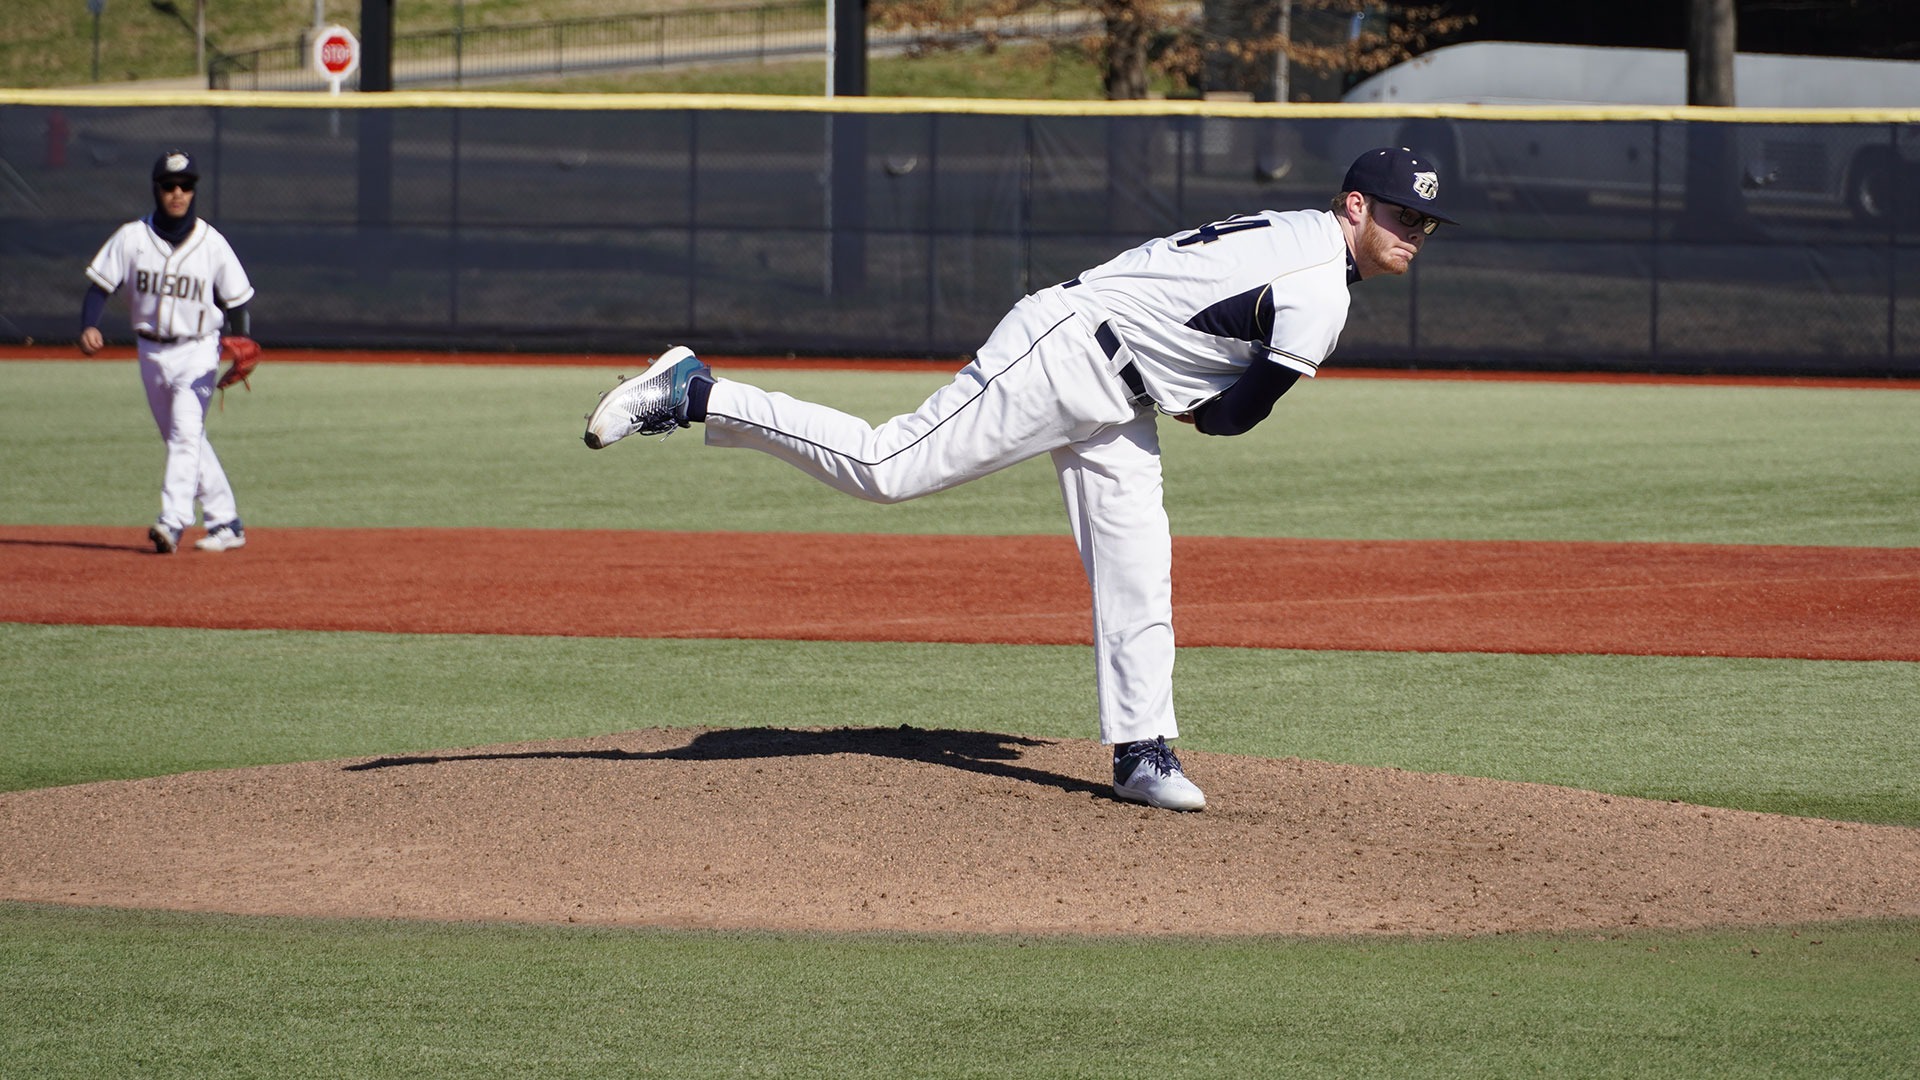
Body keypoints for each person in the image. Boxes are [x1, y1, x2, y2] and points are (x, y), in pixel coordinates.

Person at [581, 147, 1455, 811]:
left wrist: (1184, 393)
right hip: (1070, 353)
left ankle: (1143, 750)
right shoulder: (1322, 289)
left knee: (1137, 564)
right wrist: (1201, 406)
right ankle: (695, 391)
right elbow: (1236, 417)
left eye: (1422, 226)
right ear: (1354, 205)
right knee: (889, 467)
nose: (1411, 235)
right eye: (1399, 217)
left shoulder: (1298, 232)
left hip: (1119, 384)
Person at [80, 149, 257, 554]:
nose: (178, 193)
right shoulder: (131, 237)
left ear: (194, 190)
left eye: (186, 186)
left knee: (183, 433)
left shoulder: (211, 243)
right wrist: (88, 325)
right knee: (185, 438)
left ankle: (172, 521)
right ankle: (226, 520)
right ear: (157, 189)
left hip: (198, 352)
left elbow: (237, 301)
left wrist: (241, 340)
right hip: (150, 351)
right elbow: (99, 287)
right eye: (170, 186)